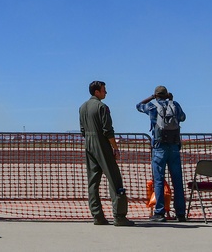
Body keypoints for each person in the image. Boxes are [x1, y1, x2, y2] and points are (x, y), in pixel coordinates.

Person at [79, 81, 131, 226]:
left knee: (93, 182)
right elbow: (108, 130)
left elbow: (82, 129)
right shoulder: (102, 107)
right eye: (104, 90)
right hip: (101, 144)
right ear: (97, 92)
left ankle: (97, 216)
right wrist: (114, 147)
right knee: (115, 179)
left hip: (88, 144)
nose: (106, 93)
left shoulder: (82, 107)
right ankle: (119, 216)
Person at [136, 85, 186, 222]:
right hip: (174, 146)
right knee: (177, 181)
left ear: (156, 95)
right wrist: (171, 101)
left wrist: (151, 97)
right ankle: (181, 213)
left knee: (159, 180)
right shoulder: (175, 105)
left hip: (159, 147)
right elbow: (183, 117)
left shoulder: (152, 106)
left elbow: (138, 105)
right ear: (167, 94)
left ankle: (159, 212)